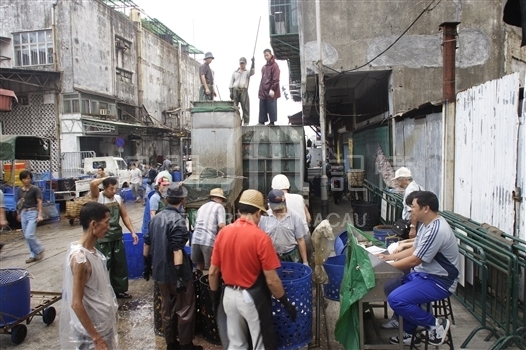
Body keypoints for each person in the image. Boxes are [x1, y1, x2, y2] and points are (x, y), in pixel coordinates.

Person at [208, 189, 297, 349]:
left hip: (228, 296)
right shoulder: (261, 238)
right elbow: (272, 280)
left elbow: (213, 272)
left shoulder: (223, 233)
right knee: (259, 345)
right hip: (250, 298)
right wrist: (285, 302)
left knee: (236, 345)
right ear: (257, 212)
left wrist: (215, 298)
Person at [378, 191, 460, 346]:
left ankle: (435, 324)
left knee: (396, 299)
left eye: (413, 207)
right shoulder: (426, 225)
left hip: (440, 281)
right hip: (424, 274)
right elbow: (415, 249)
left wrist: (386, 266)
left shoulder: (437, 230)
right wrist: (388, 258)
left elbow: (415, 260)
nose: (411, 210)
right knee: (392, 285)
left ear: (426, 208)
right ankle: (408, 332)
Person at [143, 183, 202, 350]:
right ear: (182, 200)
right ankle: (185, 344)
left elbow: (146, 243)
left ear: (166, 199)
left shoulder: (156, 219)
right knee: (184, 308)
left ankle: (171, 343)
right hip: (177, 272)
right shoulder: (178, 220)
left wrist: (146, 265)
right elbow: (177, 249)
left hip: (160, 271)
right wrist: (179, 276)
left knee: (166, 308)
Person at [60, 202, 118, 350]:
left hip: (103, 324)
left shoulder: (94, 253)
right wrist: (96, 338)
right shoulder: (80, 259)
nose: (108, 227)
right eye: (106, 223)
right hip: (92, 332)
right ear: (94, 224)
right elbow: (76, 304)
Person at [90, 177, 138, 299]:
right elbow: (93, 183)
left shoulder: (117, 199)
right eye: (111, 189)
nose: (114, 191)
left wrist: (132, 232)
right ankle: (101, 292)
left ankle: (119, 290)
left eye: (116, 188)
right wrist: (106, 176)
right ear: (104, 188)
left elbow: (125, 216)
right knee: (103, 266)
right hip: (103, 238)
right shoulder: (98, 198)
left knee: (119, 265)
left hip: (117, 236)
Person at [259, 189, 308, 265]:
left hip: (291, 255)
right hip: (272, 256)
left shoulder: (295, 217)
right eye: (276, 209)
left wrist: (305, 261)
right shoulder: (264, 218)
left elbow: (300, 240)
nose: (278, 210)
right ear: (270, 205)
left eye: (280, 208)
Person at [191, 188, 226, 271]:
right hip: (208, 240)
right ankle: (211, 284)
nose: (221, 202)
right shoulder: (219, 207)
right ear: (218, 198)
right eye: (221, 199)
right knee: (212, 268)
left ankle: (197, 282)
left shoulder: (202, 207)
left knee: (199, 265)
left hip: (195, 240)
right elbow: (221, 226)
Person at [17, 170, 45, 263]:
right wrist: (19, 213)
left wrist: (40, 214)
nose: (27, 180)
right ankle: (33, 255)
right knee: (26, 236)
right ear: (21, 179)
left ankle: (39, 248)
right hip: (23, 213)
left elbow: (39, 202)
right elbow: (19, 203)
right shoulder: (19, 190)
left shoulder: (35, 189)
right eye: (25, 178)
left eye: (28, 178)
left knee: (29, 235)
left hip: (32, 212)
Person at [393, 167, 423, 239]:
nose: (397, 183)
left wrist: (413, 228)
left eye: (398, 180)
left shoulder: (410, 191)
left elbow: (413, 212)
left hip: (412, 223)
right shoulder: (417, 186)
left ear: (405, 179)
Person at [229, 56, 255, 125]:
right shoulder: (235, 72)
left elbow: (252, 72)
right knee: (235, 107)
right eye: (241, 63)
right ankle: (236, 122)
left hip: (243, 90)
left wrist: (253, 63)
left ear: (245, 64)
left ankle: (246, 123)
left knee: (246, 107)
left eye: (243, 63)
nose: (242, 65)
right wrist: (231, 92)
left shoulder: (247, 72)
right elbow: (231, 82)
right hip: (235, 90)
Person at [257, 49, 280, 126]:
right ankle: (261, 121)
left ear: (271, 55)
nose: (266, 57)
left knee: (271, 105)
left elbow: (276, 78)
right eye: (265, 55)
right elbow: (262, 79)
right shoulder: (264, 67)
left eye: (267, 55)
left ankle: (272, 122)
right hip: (263, 89)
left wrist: (273, 88)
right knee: (262, 104)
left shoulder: (275, 66)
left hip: (271, 89)